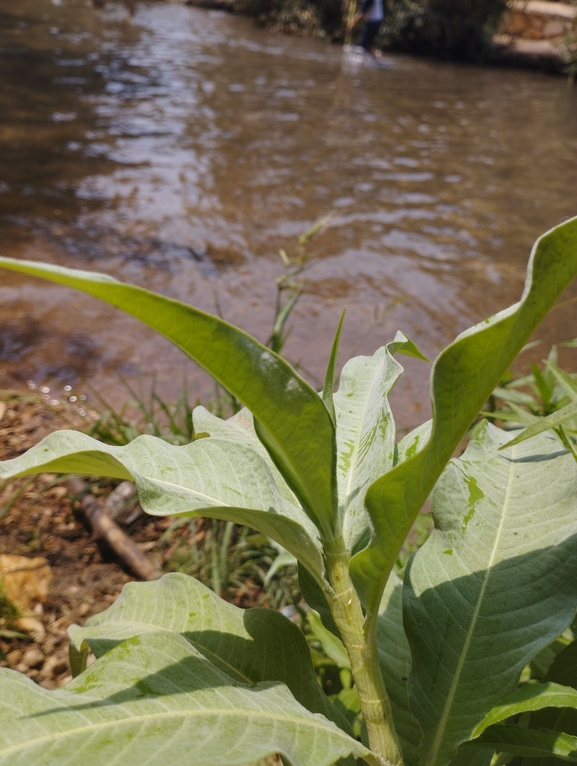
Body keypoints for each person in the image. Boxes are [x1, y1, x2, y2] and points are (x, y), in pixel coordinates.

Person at [347, 0, 384, 64]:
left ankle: (379, 61)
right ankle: (377, 61)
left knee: (366, 44)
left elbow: (362, 12)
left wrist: (352, 25)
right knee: (366, 44)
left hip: (373, 22)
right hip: (374, 21)